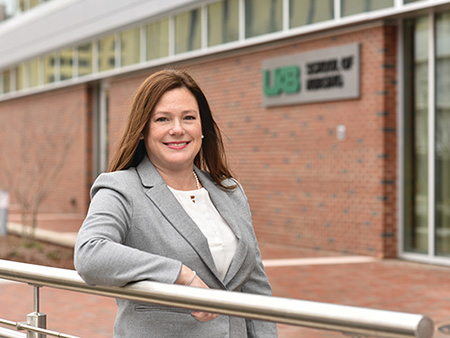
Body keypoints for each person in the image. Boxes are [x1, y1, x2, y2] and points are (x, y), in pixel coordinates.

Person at [74, 69, 278, 338]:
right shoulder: (121, 188)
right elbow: (90, 254)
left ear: (202, 128)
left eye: (189, 118)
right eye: (162, 119)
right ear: (143, 130)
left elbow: (255, 286)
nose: (178, 129)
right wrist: (181, 275)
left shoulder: (230, 190)